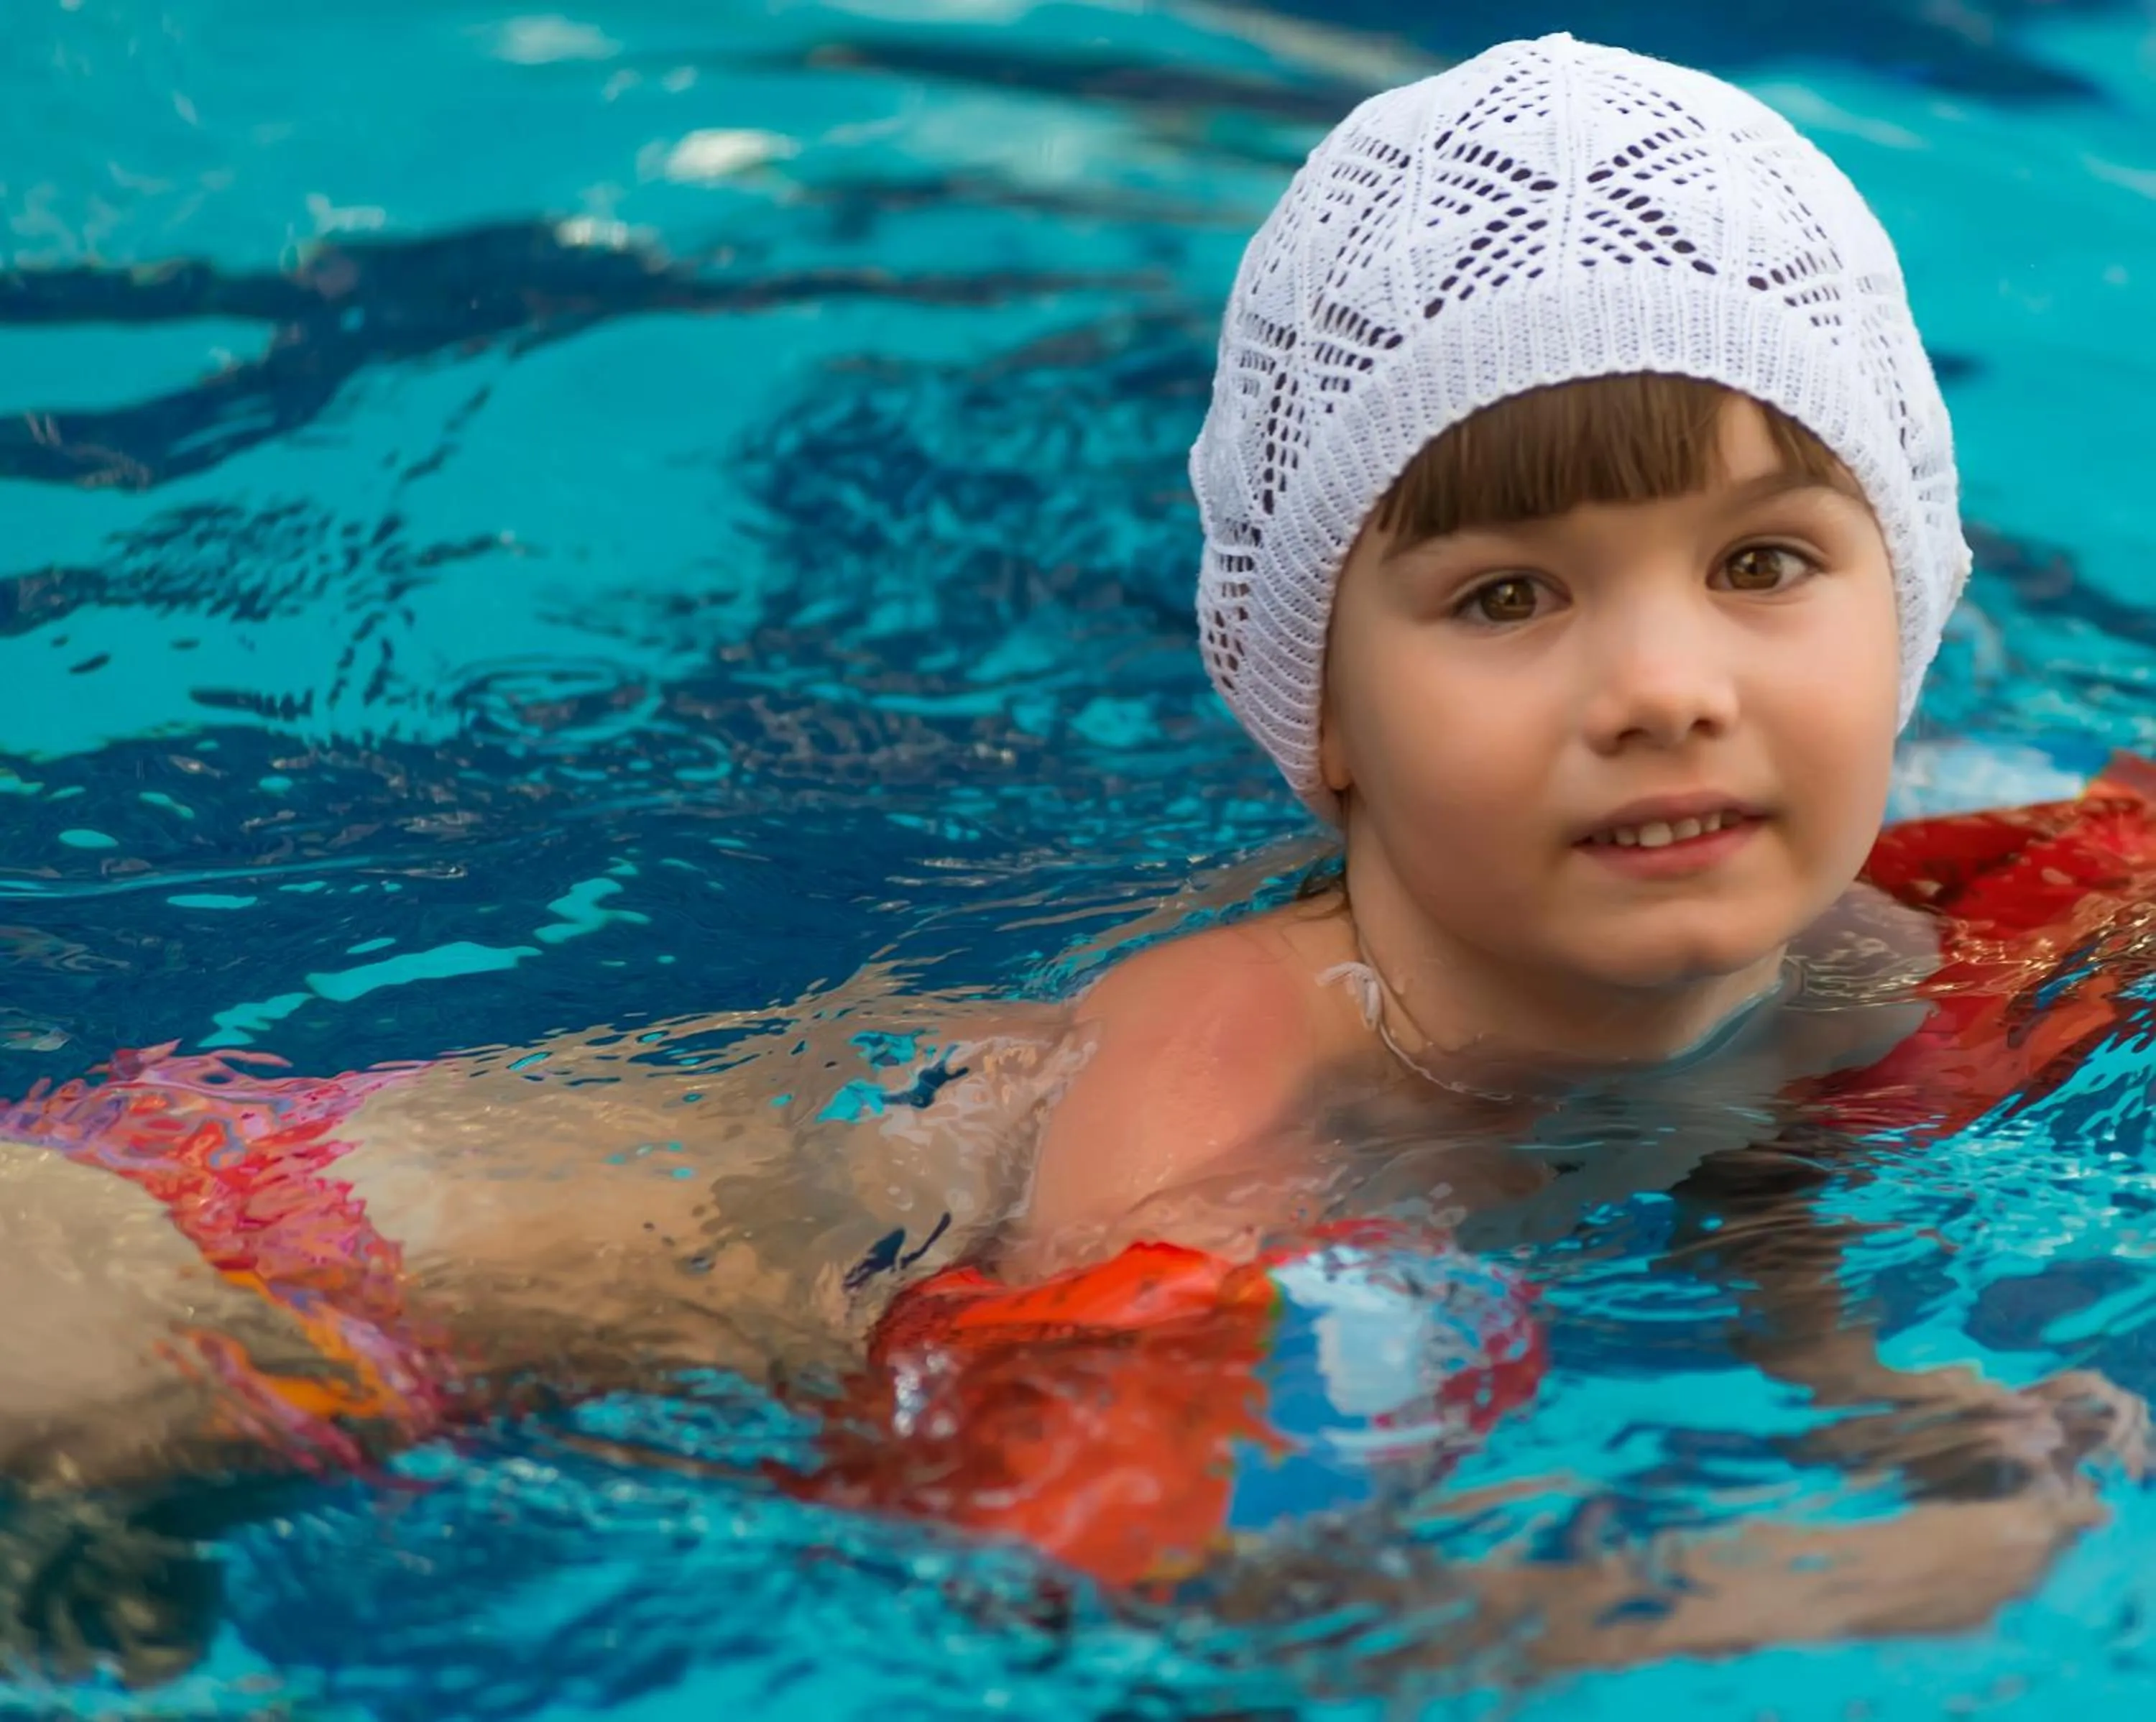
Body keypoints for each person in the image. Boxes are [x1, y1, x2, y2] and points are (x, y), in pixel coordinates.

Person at [4, 31, 2150, 1685]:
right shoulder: (1238, 1113)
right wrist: (1757, 1585)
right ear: (1319, 713)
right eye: (1508, 598)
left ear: (1916, 617)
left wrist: (1856, 1383)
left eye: (1767, 561)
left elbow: (1748, 1129)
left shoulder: (1872, 958)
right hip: (201, 1275)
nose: (1667, 682)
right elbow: (1092, 1610)